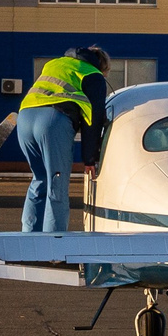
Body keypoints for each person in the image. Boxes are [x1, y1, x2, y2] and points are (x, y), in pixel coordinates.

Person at [17, 46, 110, 234]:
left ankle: (28, 240)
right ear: (102, 65)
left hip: (24, 117)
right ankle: (54, 248)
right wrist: (90, 159)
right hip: (52, 121)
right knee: (56, 185)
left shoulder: (55, 64)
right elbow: (94, 119)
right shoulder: (93, 75)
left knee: (39, 179)